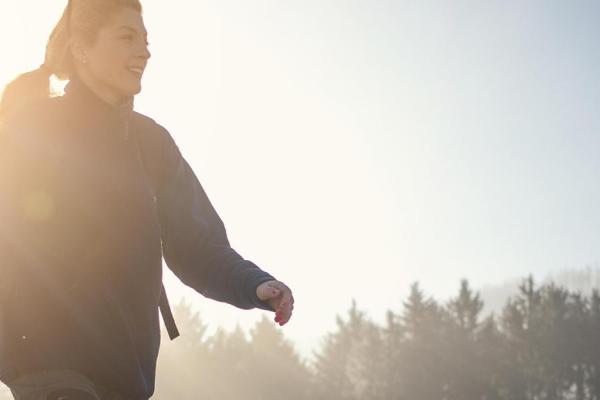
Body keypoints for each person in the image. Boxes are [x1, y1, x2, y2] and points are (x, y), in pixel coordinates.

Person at [0, 0, 294, 399]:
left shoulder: (151, 144)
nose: (144, 51)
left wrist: (253, 284)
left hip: (126, 374)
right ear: (82, 49)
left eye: (146, 40)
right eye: (127, 37)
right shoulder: (32, 127)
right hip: (47, 365)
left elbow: (196, 244)